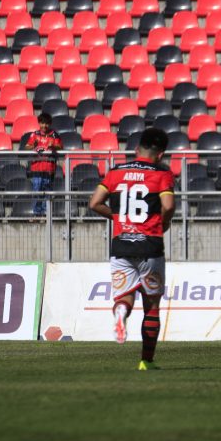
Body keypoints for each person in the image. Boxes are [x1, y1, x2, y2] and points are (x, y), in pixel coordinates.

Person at [88, 128, 175, 370]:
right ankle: (146, 361)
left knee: (124, 297)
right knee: (152, 305)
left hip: (121, 245)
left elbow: (94, 203)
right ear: (160, 154)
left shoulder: (116, 172)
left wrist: (117, 217)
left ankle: (120, 315)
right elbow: (168, 205)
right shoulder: (161, 173)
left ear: (137, 150)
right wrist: (163, 222)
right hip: (150, 244)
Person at [24, 112, 62, 217]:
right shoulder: (34, 134)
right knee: (37, 189)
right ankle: (37, 213)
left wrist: (53, 145)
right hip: (37, 167)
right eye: (42, 123)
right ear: (39, 123)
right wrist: (33, 145)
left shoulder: (54, 134)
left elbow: (60, 147)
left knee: (47, 190)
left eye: (46, 124)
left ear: (49, 124)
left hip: (49, 168)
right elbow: (26, 146)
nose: (44, 126)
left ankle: (46, 213)